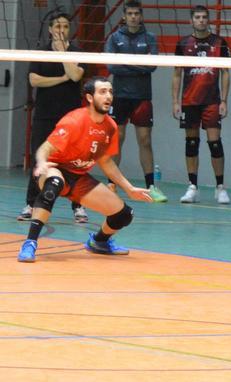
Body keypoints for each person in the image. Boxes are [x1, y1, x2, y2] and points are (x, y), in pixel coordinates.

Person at [18, 77, 154, 263]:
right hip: (55, 169)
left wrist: (129, 188)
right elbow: (45, 148)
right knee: (53, 185)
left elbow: (106, 162)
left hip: (79, 177)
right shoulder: (74, 120)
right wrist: (41, 162)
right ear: (90, 97)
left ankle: (99, 241)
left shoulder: (110, 126)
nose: (108, 96)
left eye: (110, 92)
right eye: (102, 92)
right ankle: (30, 243)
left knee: (124, 215)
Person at [21, 11, 87, 223]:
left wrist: (62, 52)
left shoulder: (77, 52)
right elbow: (34, 80)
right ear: (50, 29)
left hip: (71, 118)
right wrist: (62, 78)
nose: (61, 30)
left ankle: (78, 206)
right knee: (39, 159)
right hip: (45, 115)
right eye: (57, 26)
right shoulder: (41, 52)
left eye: (65, 26)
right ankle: (31, 204)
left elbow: (75, 75)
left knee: (75, 162)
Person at [103, 0, 166, 203]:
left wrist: (125, 63)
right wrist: (139, 66)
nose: (133, 17)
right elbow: (111, 67)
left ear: (141, 16)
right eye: (129, 13)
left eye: (136, 13)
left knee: (145, 140)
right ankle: (111, 185)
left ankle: (151, 187)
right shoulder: (114, 38)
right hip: (120, 96)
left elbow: (152, 66)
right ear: (124, 16)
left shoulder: (150, 38)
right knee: (117, 139)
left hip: (142, 97)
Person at [172, 5, 231, 205]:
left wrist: (224, 100)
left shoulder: (219, 42)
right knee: (191, 143)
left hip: (212, 101)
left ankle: (220, 187)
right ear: (191, 21)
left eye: (204, 17)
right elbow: (177, 74)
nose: (201, 20)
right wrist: (175, 101)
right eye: (197, 17)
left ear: (208, 20)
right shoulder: (183, 43)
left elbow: (226, 73)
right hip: (189, 101)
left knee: (215, 143)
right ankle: (192, 187)